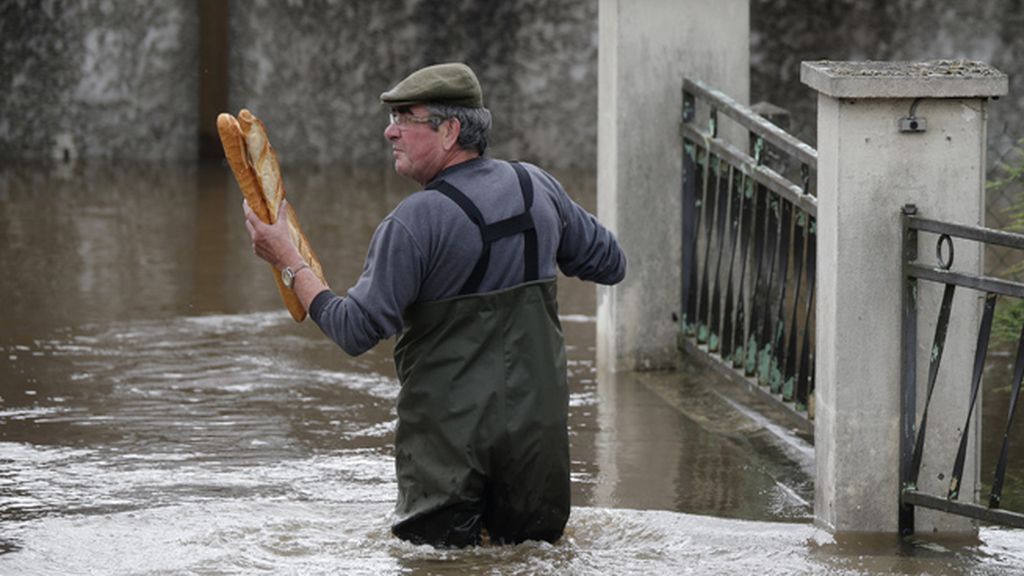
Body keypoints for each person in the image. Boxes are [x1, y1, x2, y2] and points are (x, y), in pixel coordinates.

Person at [243, 62, 626, 547]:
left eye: (406, 118)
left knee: (434, 564)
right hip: (538, 440)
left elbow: (354, 330)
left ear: (450, 131)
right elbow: (611, 264)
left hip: (448, 451)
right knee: (532, 558)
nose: (390, 131)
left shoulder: (413, 223)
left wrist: (288, 261)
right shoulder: (538, 187)